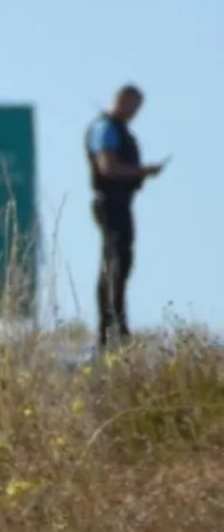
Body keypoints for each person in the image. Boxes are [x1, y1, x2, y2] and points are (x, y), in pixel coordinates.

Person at [86, 84, 168, 353]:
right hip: (110, 202)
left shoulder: (119, 130)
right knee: (115, 263)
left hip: (121, 202)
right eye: (132, 105)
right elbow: (107, 167)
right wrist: (141, 171)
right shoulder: (106, 128)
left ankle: (116, 327)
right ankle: (110, 330)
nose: (134, 112)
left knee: (121, 262)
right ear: (120, 100)